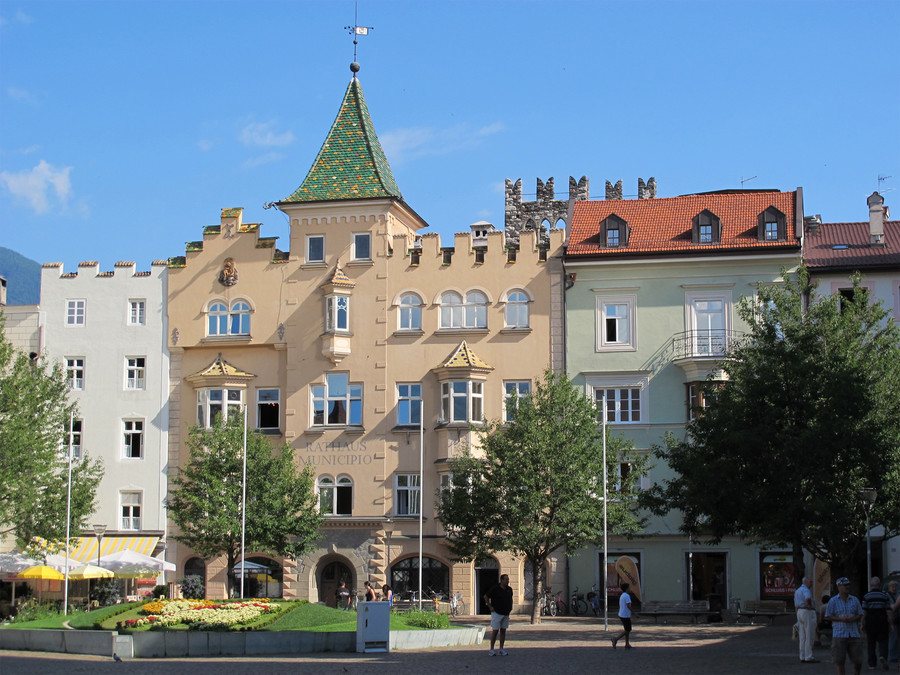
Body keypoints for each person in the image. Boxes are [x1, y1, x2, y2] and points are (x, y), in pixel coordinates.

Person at [825, 577, 864, 675]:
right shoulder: (833, 601)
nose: (847, 587)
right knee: (839, 660)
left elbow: (860, 614)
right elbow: (828, 616)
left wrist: (853, 618)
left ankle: (856, 672)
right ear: (839, 587)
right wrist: (841, 619)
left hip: (854, 633)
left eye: (848, 585)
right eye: (845, 585)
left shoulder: (854, 600)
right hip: (839, 633)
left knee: (858, 660)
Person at [861, 576, 893, 671]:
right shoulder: (885, 596)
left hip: (870, 620)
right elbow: (889, 611)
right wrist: (890, 623)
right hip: (882, 620)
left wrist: (862, 623)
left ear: (871, 585)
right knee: (883, 641)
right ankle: (883, 655)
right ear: (880, 585)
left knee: (871, 643)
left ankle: (872, 664)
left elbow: (864, 611)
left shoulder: (866, 596)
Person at [484, 573, 513, 656]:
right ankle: (492, 649)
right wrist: (490, 606)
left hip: (506, 613)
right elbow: (486, 596)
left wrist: (510, 608)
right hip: (497, 612)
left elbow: (510, 599)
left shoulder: (509, 589)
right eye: (506, 579)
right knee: (495, 630)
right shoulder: (495, 588)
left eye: (508, 579)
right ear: (502, 580)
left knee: (503, 630)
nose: (507, 581)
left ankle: (501, 648)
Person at [795, 575, 820, 663]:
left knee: (802, 636)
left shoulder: (797, 590)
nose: (811, 583)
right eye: (810, 582)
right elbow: (808, 598)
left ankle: (802, 655)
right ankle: (808, 656)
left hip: (800, 611)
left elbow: (796, 604)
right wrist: (809, 605)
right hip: (807, 612)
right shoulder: (806, 590)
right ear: (805, 582)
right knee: (809, 634)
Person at [611, 582, 634, 650]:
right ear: (627, 589)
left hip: (622, 614)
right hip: (625, 615)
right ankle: (616, 639)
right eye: (629, 587)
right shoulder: (627, 596)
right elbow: (628, 605)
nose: (630, 589)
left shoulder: (623, 595)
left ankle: (627, 644)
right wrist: (634, 613)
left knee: (627, 630)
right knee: (628, 630)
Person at [885, 580, 899, 666]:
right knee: (892, 638)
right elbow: (890, 607)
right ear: (889, 587)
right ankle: (892, 656)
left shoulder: (897, 594)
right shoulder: (887, 596)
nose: (894, 588)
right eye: (892, 587)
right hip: (891, 619)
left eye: (895, 586)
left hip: (897, 618)